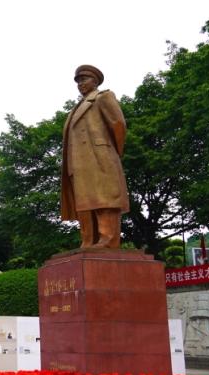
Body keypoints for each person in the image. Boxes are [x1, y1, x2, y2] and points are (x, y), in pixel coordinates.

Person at [61, 64, 129, 249]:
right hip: (78, 162)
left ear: (95, 81)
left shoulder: (103, 97)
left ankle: (107, 240)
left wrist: (110, 152)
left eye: (84, 79)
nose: (80, 84)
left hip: (99, 157)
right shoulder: (75, 108)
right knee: (84, 201)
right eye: (78, 81)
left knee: (104, 197)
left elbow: (118, 125)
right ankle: (88, 241)